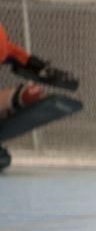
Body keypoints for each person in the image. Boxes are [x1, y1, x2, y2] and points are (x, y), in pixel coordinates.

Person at [0, 21, 78, 172]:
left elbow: (18, 56)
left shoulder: (3, 45)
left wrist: (45, 71)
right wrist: (18, 97)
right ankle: (14, 100)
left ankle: (14, 100)